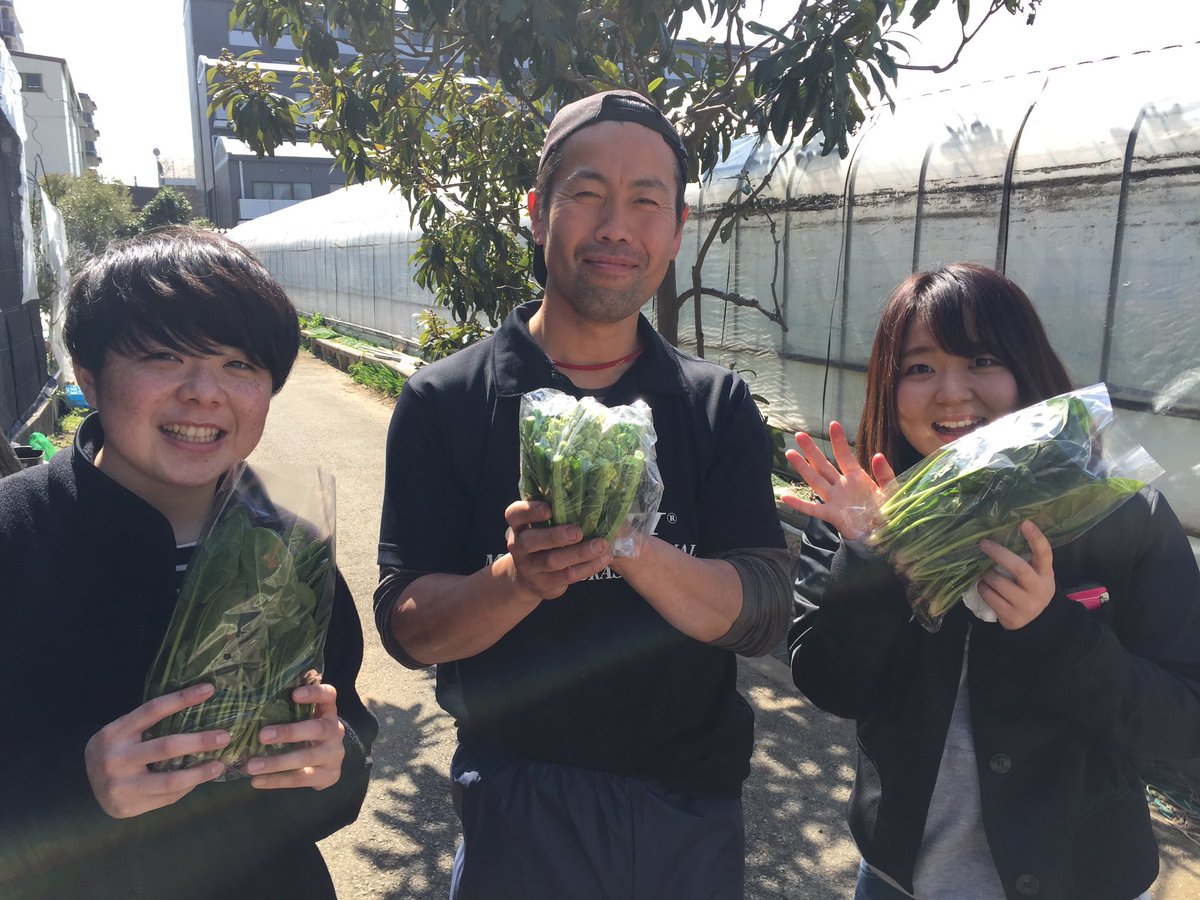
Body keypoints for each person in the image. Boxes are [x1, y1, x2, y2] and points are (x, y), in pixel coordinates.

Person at [374, 89, 793, 899]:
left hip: (687, 814)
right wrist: (518, 579)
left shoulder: (715, 406)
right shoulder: (446, 401)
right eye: (588, 193)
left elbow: (765, 611)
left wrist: (627, 544)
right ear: (538, 214)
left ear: (677, 230)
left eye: (646, 202)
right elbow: (408, 628)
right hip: (516, 807)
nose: (616, 227)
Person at [783, 263, 1200, 900]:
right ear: (889, 387)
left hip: (1087, 881)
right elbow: (830, 685)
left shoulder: (1118, 515)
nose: (952, 393)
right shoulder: (858, 517)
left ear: (1027, 370)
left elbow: (1184, 718)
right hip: (900, 880)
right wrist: (872, 559)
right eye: (919, 367)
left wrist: (1054, 632)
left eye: (982, 360)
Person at [0, 226, 378, 899]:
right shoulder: (17, 535)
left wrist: (333, 762)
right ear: (87, 374)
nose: (205, 392)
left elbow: (344, 735)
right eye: (165, 355)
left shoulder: (290, 542)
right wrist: (75, 788)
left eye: (240, 364)